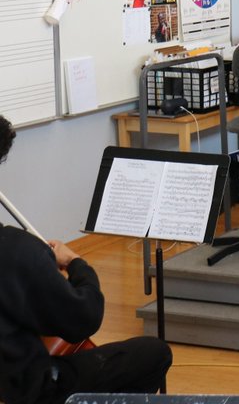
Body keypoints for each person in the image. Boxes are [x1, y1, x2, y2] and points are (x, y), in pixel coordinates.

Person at [0, 116, 172, 404]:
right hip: (25, 390)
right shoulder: (18, 251)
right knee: (153, 354)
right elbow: (82, 319)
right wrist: (78, 266)